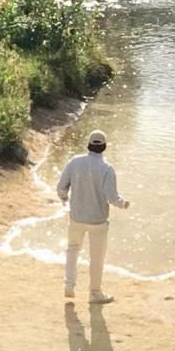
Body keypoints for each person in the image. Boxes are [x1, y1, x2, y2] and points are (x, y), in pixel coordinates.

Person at [56, 129, 129, 304]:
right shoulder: (107, 168)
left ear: (88, 145)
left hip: (76, 218)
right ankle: (95, 293)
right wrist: (123, 203)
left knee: (72, 249)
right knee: (96, 258)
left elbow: (61, 187)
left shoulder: (75, 162)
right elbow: (112, 197)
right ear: (104, 147)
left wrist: (64, 199)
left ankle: (69, 285)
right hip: (98, 221)